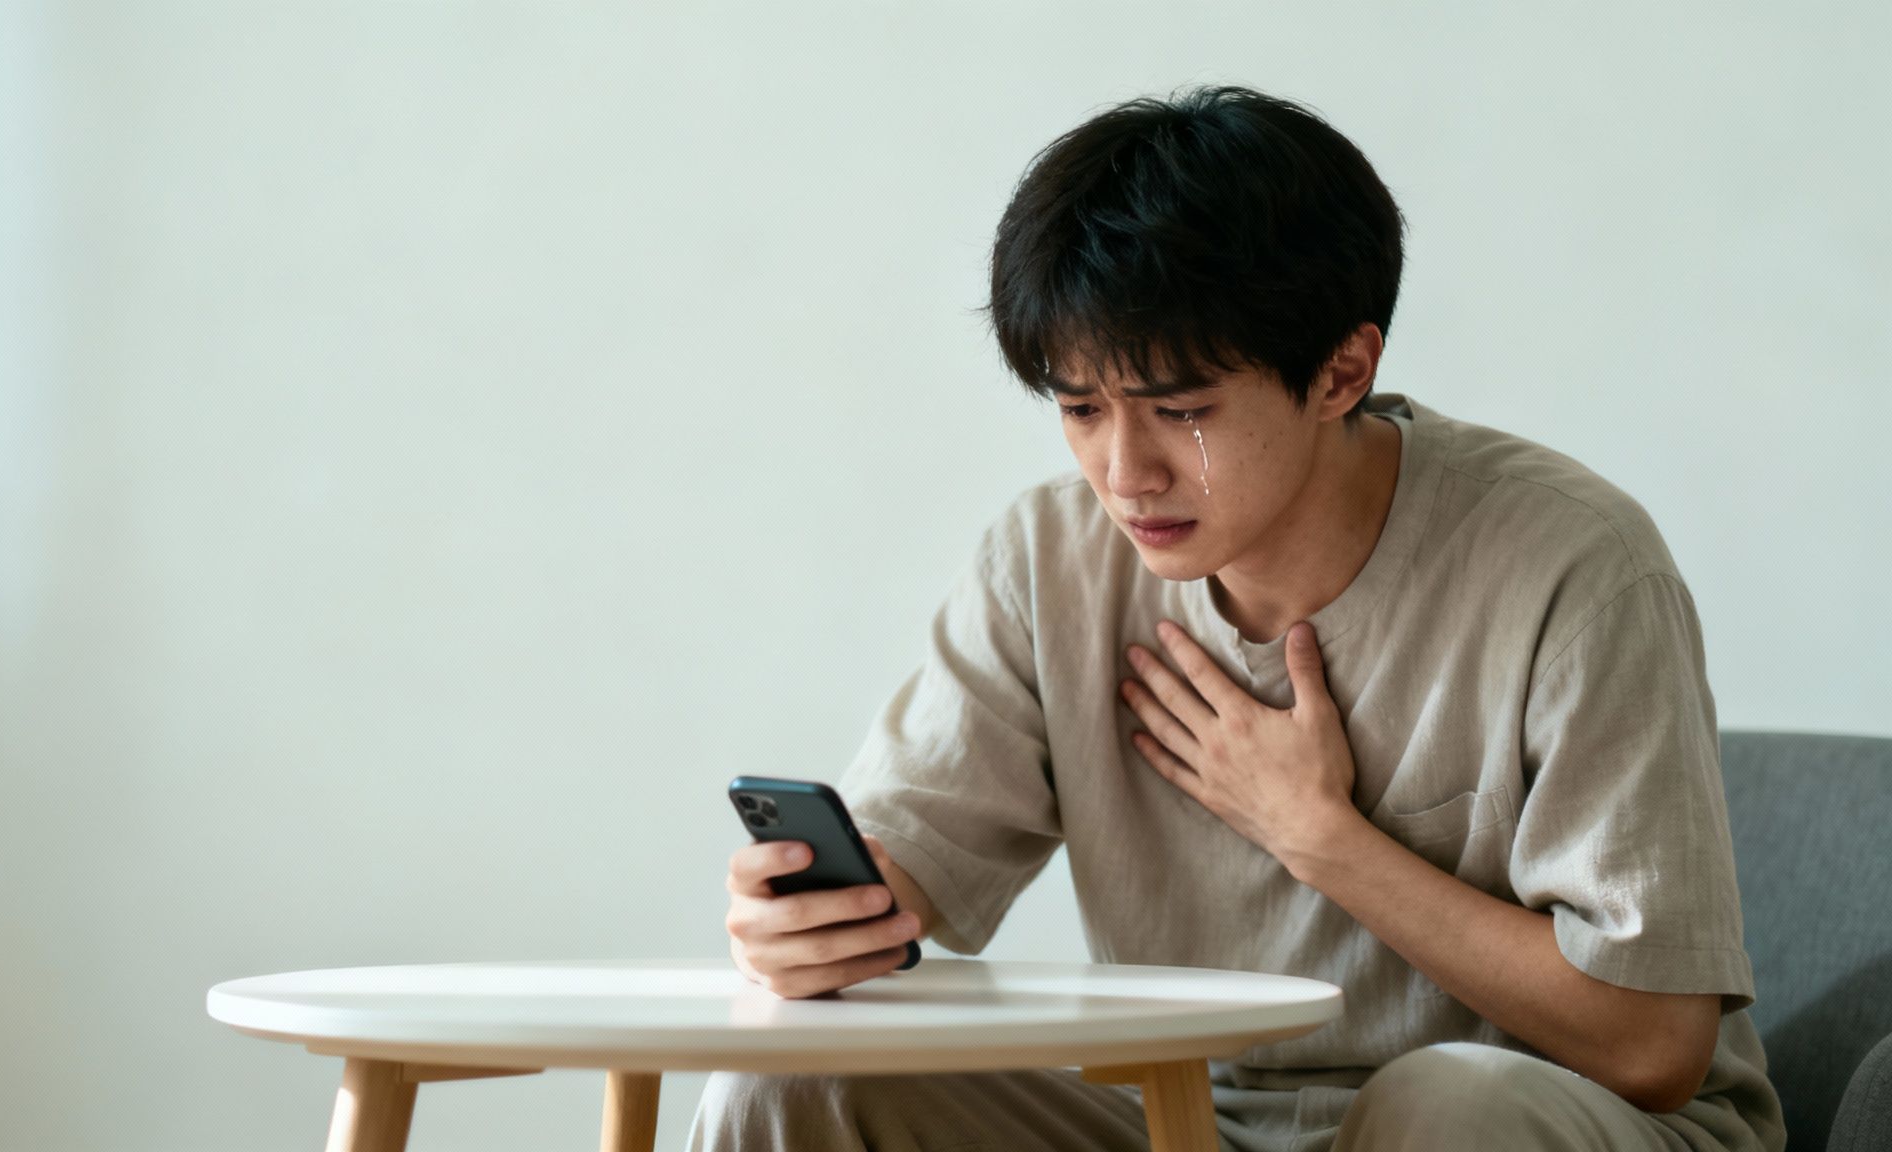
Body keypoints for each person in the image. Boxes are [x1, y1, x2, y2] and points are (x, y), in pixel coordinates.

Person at [689, 85, 1783, 1152]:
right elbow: (900, 864)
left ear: (1341, 372)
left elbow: (1650, 1047)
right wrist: (803, 923)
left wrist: (1323, 839)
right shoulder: (1047, 562)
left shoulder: (1573, 565)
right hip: (1189, 1120)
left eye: (1180, 411)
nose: (1124, 473)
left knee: (1443, 1107)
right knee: (788, 1076)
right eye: (1080, 409)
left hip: (1545, 1117)